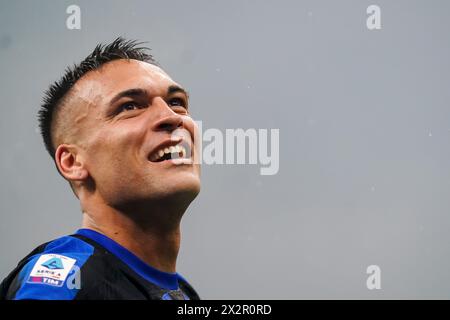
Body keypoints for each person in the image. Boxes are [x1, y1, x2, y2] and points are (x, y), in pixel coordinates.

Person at [0, 37, 201, 300]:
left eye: (176, 102)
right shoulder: (64, 280)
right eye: (130, 107)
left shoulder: (184, 295)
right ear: (72, 162)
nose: (173, 117)